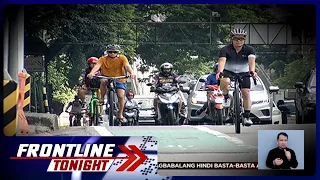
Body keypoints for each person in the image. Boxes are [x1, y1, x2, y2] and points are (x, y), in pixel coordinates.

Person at [216, 28, 257, 126]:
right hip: (229, 71)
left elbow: (252, 62)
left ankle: (246, 116)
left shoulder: (249, 49)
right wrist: (220, 72)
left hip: (244, 73)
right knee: (225, 81)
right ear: (232, 39)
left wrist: (252, 71)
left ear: (244, 40)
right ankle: (225, 97)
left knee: (246, 93)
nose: (238, 41)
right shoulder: (225, 49)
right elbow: (222, 61)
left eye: (241, 39)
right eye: (236, 39)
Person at [87, 44, 136, 123]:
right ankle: (102, 98)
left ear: (117, 52)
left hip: (120, 78)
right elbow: (97, 66)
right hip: (106, 77)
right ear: (107, 52)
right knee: (103, 81)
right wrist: (92, 73)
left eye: (114, 52)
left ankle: (120, 114)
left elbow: (127, 66)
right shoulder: (103, 59)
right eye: (110, 52)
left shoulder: (122, 58)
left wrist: (132, 73)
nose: (112, 54)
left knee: (120, 96)